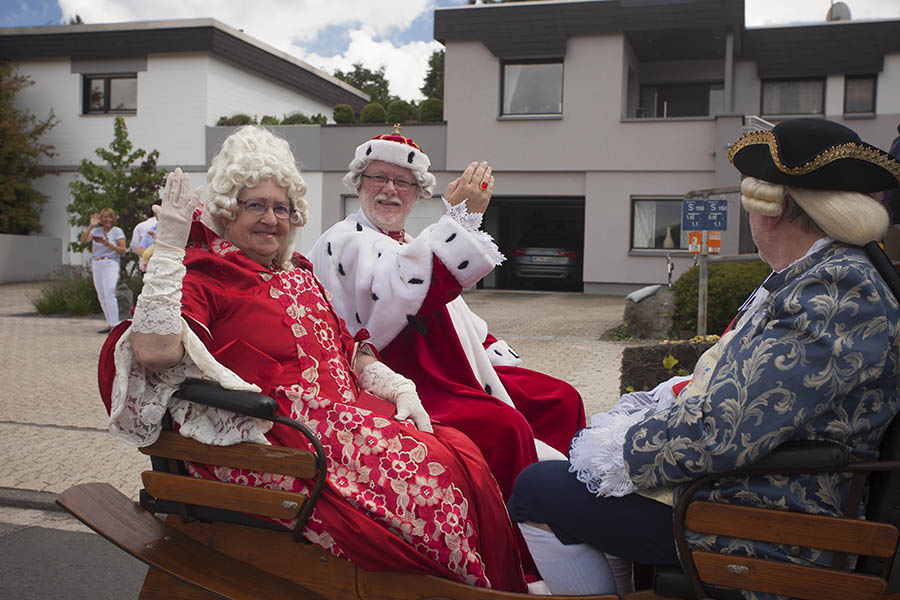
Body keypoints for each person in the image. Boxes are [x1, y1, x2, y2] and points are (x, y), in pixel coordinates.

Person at [104, 126, 527, 592]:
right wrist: (168, 250)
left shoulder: (298, 272)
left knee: (463, 452)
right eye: (256, 205)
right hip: (274, 437)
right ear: (227, 210)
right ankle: (438, 585)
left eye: (281, 208)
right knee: (432, 474)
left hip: (340, 419)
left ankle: (489, 585)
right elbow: (155, 352)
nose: (271, 219)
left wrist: (393, 383)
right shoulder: (207, 277)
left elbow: (350, 347)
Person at [506, 118, 900, 597]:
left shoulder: (837, 288)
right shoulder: (820, 274)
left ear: (768, 213)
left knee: (538, 490)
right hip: (762, 489)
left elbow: (726, 425)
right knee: (575, 482)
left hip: (775, 518)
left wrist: (622, 449)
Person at [308, 132, 586, 503]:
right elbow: (406, 290)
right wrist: (458, 220)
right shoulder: (343, 239)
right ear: (359, 183)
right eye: (378, 177)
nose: (390, 189)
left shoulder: (405, 242)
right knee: (507, 427)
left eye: (403, 181)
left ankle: (575, 507)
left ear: (416, 191)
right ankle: (522, 535)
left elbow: (454, 313)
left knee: (560, 399)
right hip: (402, 380)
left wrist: (486, 348)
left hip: (451, 368)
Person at [79, 207, 126, 333]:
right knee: (101, 295)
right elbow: (83, 239)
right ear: (101, 219)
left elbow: (123, 250)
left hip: (110, 262)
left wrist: (109, 245)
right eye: (105, 217)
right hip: (97, 263)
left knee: (109, 292)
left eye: (110, 217)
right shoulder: (96, 231)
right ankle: (110, 323)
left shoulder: (117, 231)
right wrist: (90, 226)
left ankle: (116, 325)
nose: (107, 220)